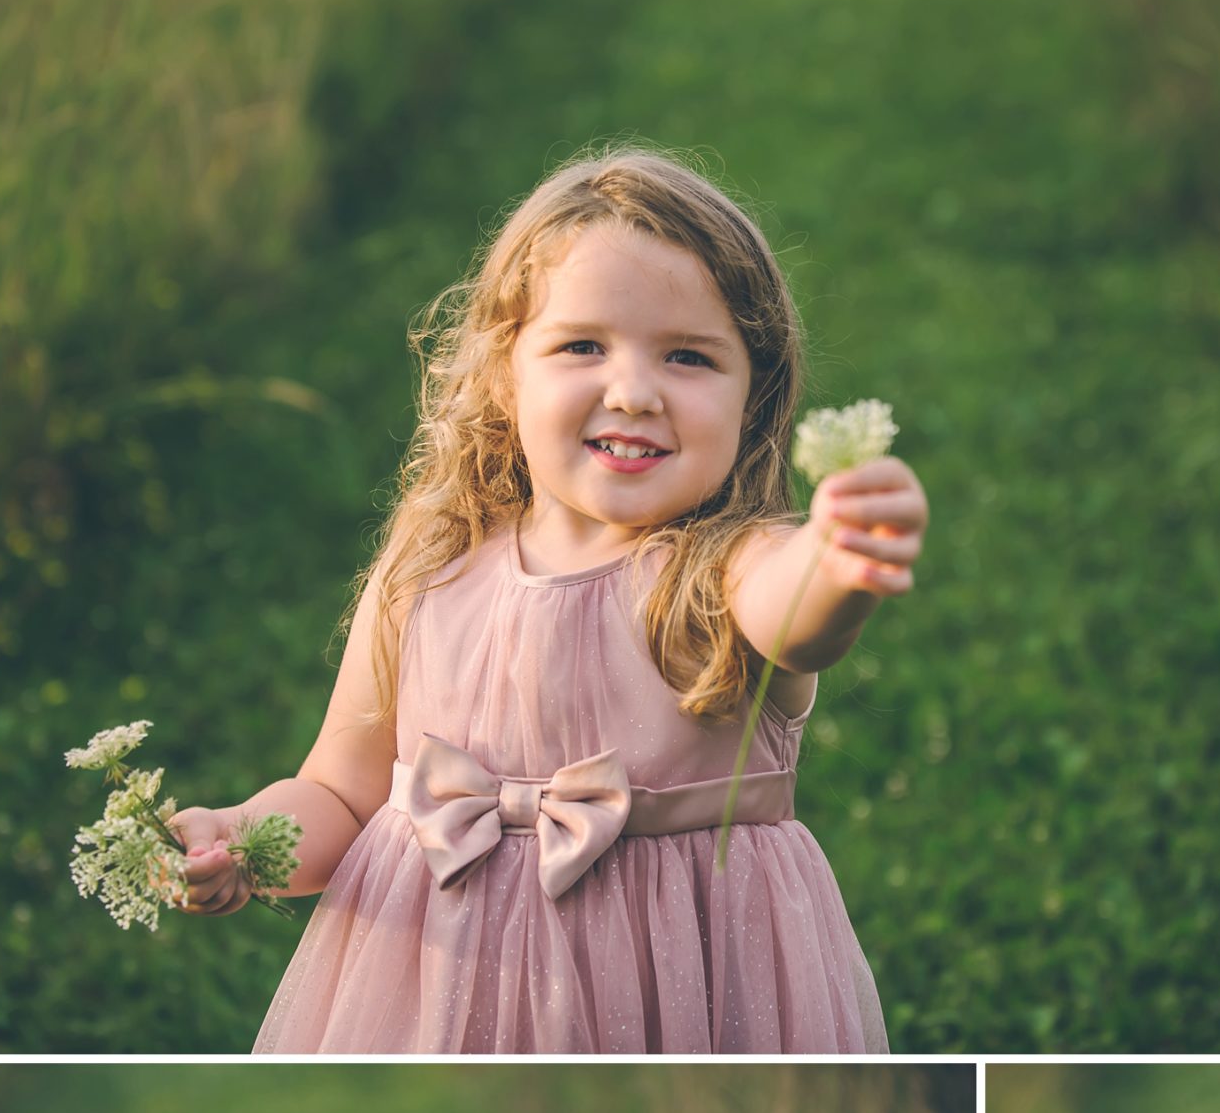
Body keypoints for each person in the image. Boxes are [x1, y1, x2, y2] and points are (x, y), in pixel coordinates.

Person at [171, 146, 925, 1052]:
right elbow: (338, 790)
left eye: (689, 357)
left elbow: (796, 621)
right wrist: (245, 841)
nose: (634, 391)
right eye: (582, 347)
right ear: (503, 372)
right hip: (440, 1001)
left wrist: (839, 559)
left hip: (680, 985)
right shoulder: (428, 569)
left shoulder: (727, 567)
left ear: (752, 396)